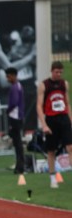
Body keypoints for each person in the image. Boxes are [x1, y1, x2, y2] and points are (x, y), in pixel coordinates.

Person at [36, 61, 72, 189]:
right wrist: (44, 124)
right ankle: (52, 177)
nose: (59, 74)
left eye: (61, 72)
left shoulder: (64, 84)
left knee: (70, 147)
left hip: (64, 117)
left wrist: (70, 120)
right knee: (51, 150)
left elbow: (67, 103)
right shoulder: (44, 85)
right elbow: (39, 106)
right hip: (51, 119)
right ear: (52, 71)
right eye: (57, 72)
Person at [5, 67, 25, 175]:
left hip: (15, 117)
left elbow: (14, 102)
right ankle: (19, 165)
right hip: (18, 116)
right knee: (17, 142)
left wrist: (8, 110)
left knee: (17, 143)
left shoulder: (15, 87)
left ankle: (20, 167)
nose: (7, 79)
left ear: (13, 76)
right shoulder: (18, 86)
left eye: (8, 76)